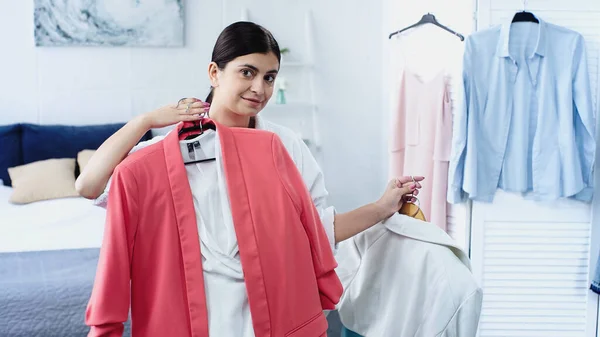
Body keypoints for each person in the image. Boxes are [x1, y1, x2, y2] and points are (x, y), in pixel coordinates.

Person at [77, 21, 423, 336]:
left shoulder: (284, 145)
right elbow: (88, 186)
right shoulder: (166, 153)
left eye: (269, 77)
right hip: (194, 313)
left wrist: (381, 207)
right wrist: (145, 122)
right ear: (215, 72)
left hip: (269, 308)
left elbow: (317, 231)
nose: (259, 88)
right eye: (247, 72)